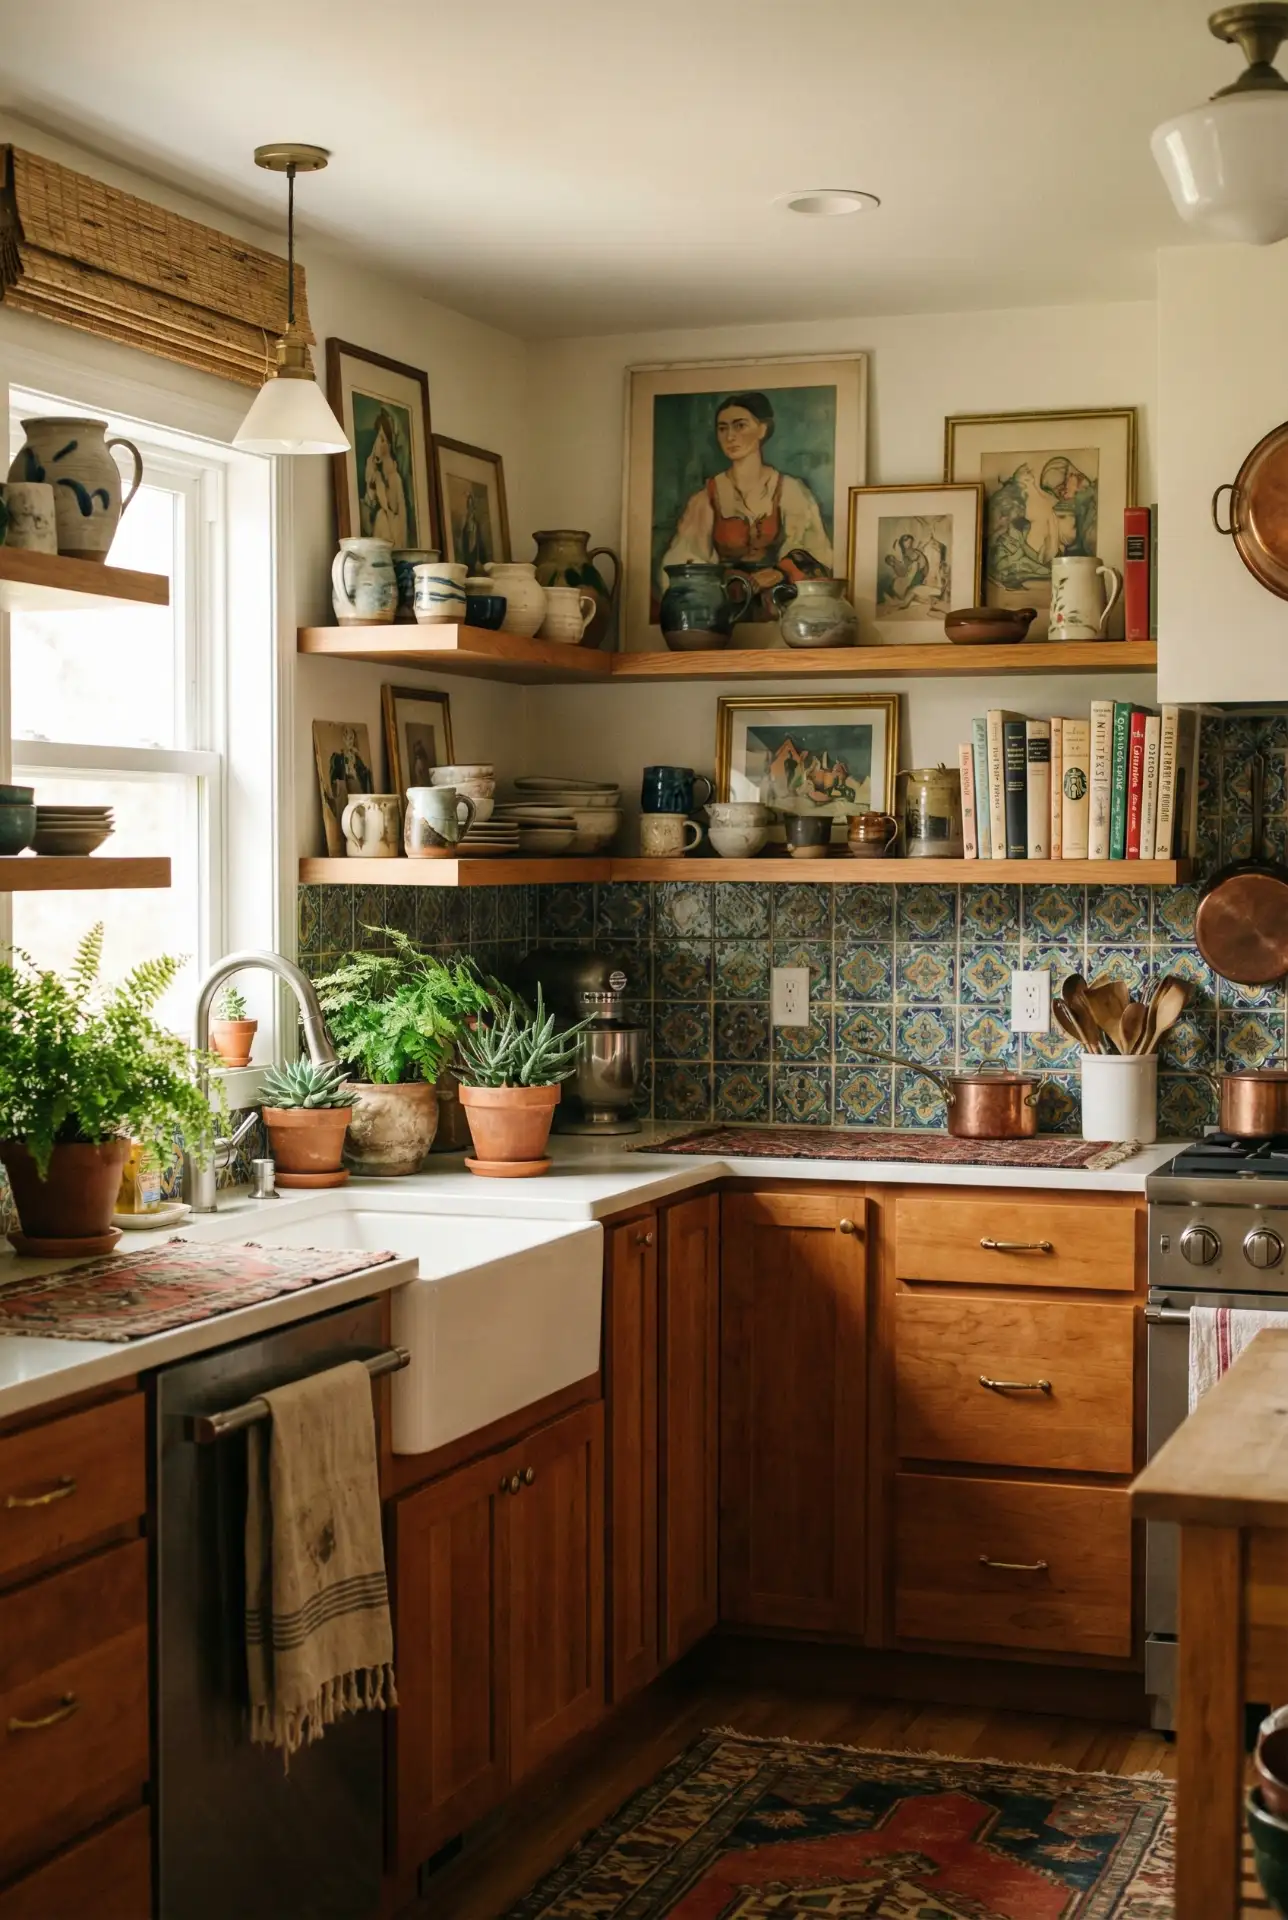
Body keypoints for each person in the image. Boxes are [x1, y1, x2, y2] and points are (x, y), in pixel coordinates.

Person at [659, 391, 833, 618]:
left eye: (740, 426)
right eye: (722, 428)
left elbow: (815, 549)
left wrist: (779, 573)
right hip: (727, 603)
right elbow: (685, 558)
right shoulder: (706, 497)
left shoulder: (790, 489)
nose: (730, 436)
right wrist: (725, 581)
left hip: (780, 598)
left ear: (762, 429)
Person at [361, 409, 410, 547]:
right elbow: (370, 501)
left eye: (383, 439)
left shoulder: (394, 476)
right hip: (380, 537)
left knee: (381, 517)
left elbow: (392, 507)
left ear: (389, 445)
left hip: (394, 538)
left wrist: (380, 481)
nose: (378, 443)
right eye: (378, 437)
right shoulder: (377, 471)